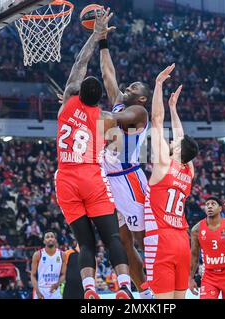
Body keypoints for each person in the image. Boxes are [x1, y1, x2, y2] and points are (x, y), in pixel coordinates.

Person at [54, 8, 143, 300]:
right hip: (93, 177)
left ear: (76, 93)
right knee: (114, 238)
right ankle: (125, 289)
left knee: (85, 242)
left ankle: (90, 289)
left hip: (66, 178)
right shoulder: (104, 118)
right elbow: (120, 121)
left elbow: (80, 63)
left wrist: (95, 37)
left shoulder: (67, 102)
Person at [98, 16, 153, 299]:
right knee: (122, 241)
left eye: (133, 88)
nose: (127, 89)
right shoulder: (121, 102)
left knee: (144, 239)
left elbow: (116, 119)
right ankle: (143, 291)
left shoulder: (139, 113)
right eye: (128, 87)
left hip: (129, 180)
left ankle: (159, 284)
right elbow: (109, 75)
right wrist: (102, 40)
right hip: (109, 181)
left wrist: (86, 111)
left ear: (142, 99)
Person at [143, 64, 199, 299]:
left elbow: (156, 120)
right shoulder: (188, 171)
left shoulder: (164, 166)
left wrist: (157, 85)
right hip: (181, 241)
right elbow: (182, 138)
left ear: (176, 149)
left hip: (162, 240)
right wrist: (174, 109)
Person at [31, 231, 66, 299]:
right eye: (47, 237)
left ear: (55, 240)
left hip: (55, 290)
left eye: (52, 237)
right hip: (41, 289)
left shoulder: (62, 255)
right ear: (44, 241)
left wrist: (57, 284)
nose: (50, 239)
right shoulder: (38, 254)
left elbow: (63, 275)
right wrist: (37, 291)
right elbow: (33, 275)